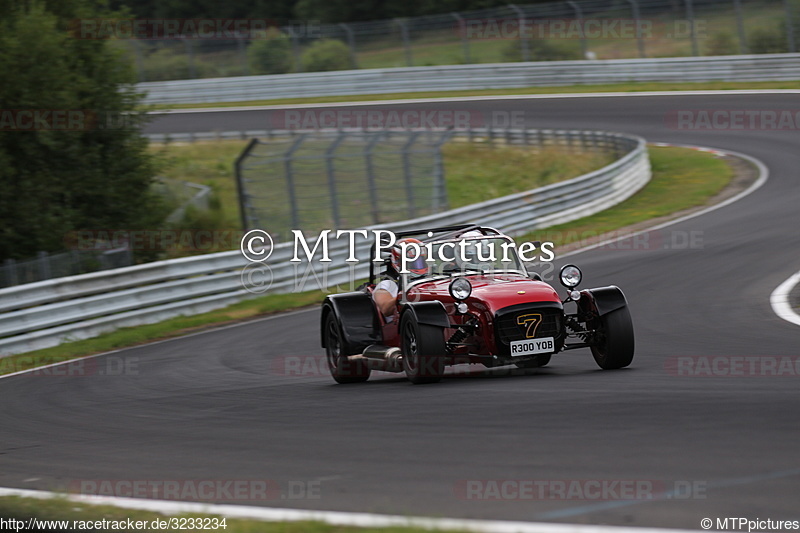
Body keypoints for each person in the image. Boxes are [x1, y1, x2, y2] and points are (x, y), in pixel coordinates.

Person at [372, 238, 428, 322]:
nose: (418, 265)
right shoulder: (386, 285)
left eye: (421, 261)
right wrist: (404, 296)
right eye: (413, 262)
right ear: (398, 262)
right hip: (400, 326)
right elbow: (385, 309)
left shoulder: (428, 280)